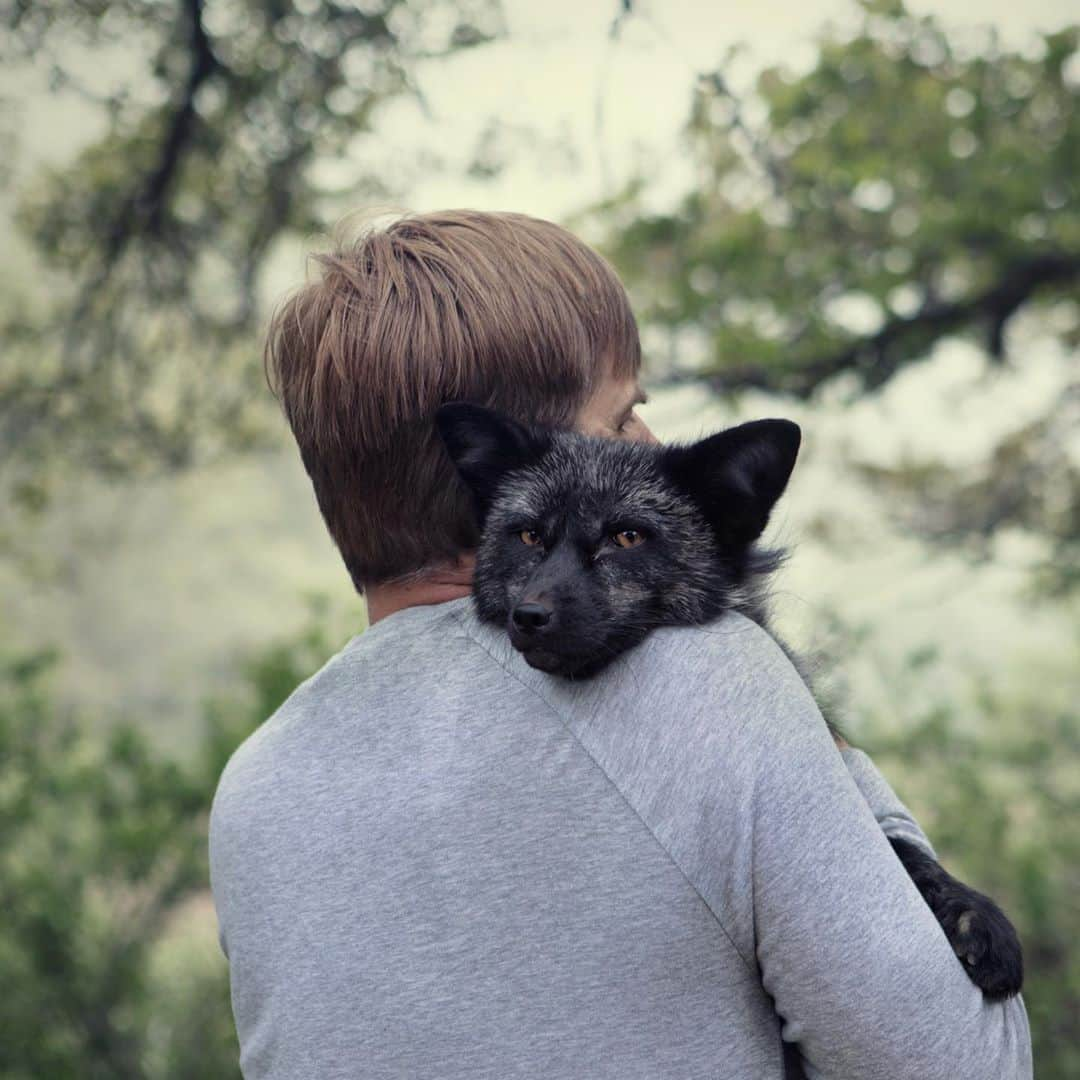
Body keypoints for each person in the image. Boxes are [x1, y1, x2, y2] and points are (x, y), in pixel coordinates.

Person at [209, 210, 1032, 1079]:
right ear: (504, 467)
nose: (649, 444)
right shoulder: (703, 683)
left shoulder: (256, 789)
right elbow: (965, 1063)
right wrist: (829, 754)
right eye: (625, 414)